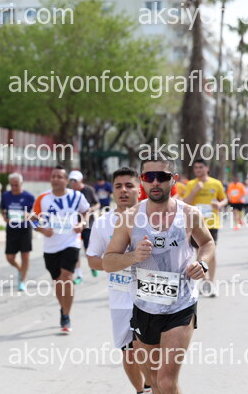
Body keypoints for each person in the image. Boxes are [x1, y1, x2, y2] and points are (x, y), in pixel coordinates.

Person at [103, 153, 214, 394]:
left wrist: (202, 263)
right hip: (144, 307)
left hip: (181, 305)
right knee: (153, 380)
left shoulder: (189, 214)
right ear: (142, 180)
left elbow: (207, 242)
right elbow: (108, 262)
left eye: (161, 176)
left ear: (173, 179)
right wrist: (133, 256)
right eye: (149, 177)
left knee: (166, 381)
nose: (155, 182)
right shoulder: (129, 218)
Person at [87, 167, 152, 394]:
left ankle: (153, 385)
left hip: (152, 296)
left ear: (139, 189)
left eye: (129, 185)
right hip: (121, 298)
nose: (123, 190)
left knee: (148, 349)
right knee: (129, 351)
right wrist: (119, 261)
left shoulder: (154, 218)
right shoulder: (103, 223)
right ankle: (142, 390)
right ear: (112, 191)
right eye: (118, 186)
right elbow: (92, 259)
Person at [33, 166, 90, 333]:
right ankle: (63, 307)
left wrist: (82, 223)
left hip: (71, 242)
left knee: (67, 277)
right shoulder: (43, 198)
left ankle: (66, 315)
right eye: (53, 176)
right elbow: (32, 219)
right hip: (50, 247)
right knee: (58, 281)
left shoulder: (76, 196)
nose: (55, 179)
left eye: (59, 176)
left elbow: (86, 211)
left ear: (66, 180)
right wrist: (42, 230)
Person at [183, 160, 227, 297]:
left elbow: (225, 199)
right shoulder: (191, 184)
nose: (198, 170)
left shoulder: (216, 183)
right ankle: (205, 280)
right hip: (196, 225)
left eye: (200, 167)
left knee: (211, 253)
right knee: (199, 254)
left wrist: (220, 205)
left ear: (207, 168)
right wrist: (195, 191)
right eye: (195, 168)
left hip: (212, 222)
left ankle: (211, 283)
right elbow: (185, 203)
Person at [0, 173, 35, 291]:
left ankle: (22, 281)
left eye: (16, 185)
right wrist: (4, 217)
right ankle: (20, 269)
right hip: (11, 229)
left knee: (25, 255)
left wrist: (28, 215)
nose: (14, 187)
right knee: (9, 257)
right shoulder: (5, 196)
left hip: (25, 229)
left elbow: (36, 214)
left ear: (21, 183)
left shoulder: (29, 197)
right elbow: (3, 209)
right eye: (12, 185)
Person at [68, 170, 100, 283]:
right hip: (73, 225)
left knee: (87, 249)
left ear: (80, 180)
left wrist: (91, 209)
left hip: (87, 224)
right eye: (71, 181)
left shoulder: (88, 190)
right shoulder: (69, 193)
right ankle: (79, 275)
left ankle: (92, 266)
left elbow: (97, 203)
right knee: (75, 250)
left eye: (75, 181)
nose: (73, 183)